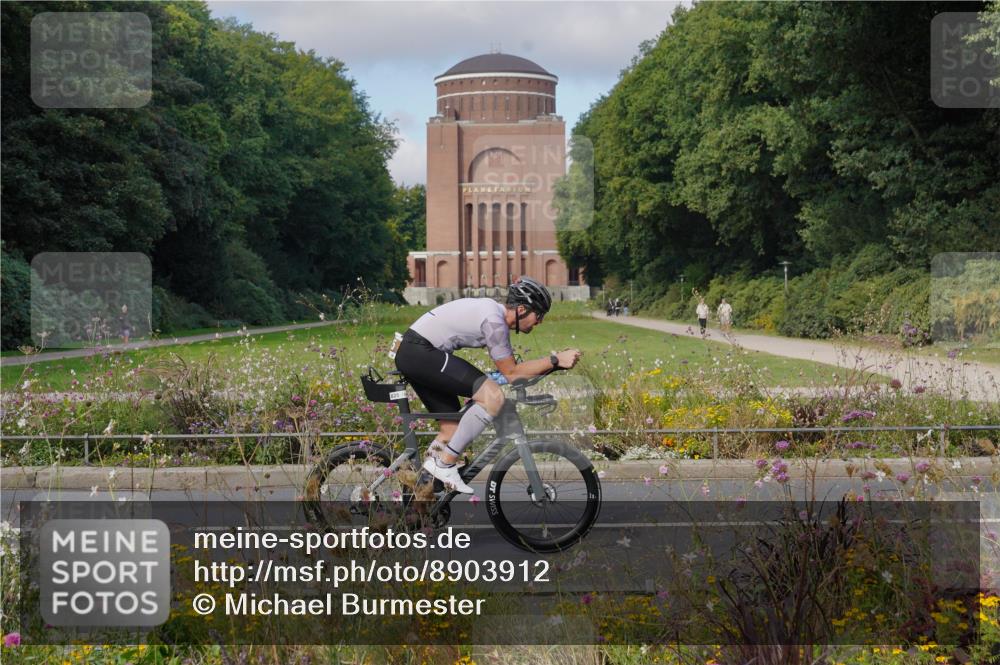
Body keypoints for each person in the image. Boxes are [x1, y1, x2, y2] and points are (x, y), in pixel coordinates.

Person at [394, 277, 582, 494]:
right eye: (539, 315)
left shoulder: (493, 315)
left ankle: (420, 493)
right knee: (493, 396)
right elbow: (512, 374)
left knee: (450, 430)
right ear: (522, 309)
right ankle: (445, 464)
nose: (539, 322)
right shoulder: (494, 322)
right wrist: (555, 359)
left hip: (415, 353)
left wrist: (554, 365)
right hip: (419, 352)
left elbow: (509, 372)